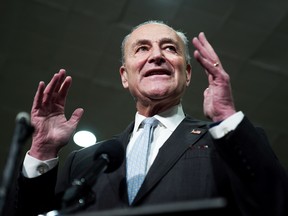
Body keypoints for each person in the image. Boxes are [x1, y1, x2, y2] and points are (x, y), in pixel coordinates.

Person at [12, 20, 288, 216]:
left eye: (169, 48)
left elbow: (274, 203)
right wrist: (42, 150)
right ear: (124, 76)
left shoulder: (225, 141)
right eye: (142, 49)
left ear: (188, 73)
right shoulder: (86, 161)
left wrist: (226, 118)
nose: (156, 55)